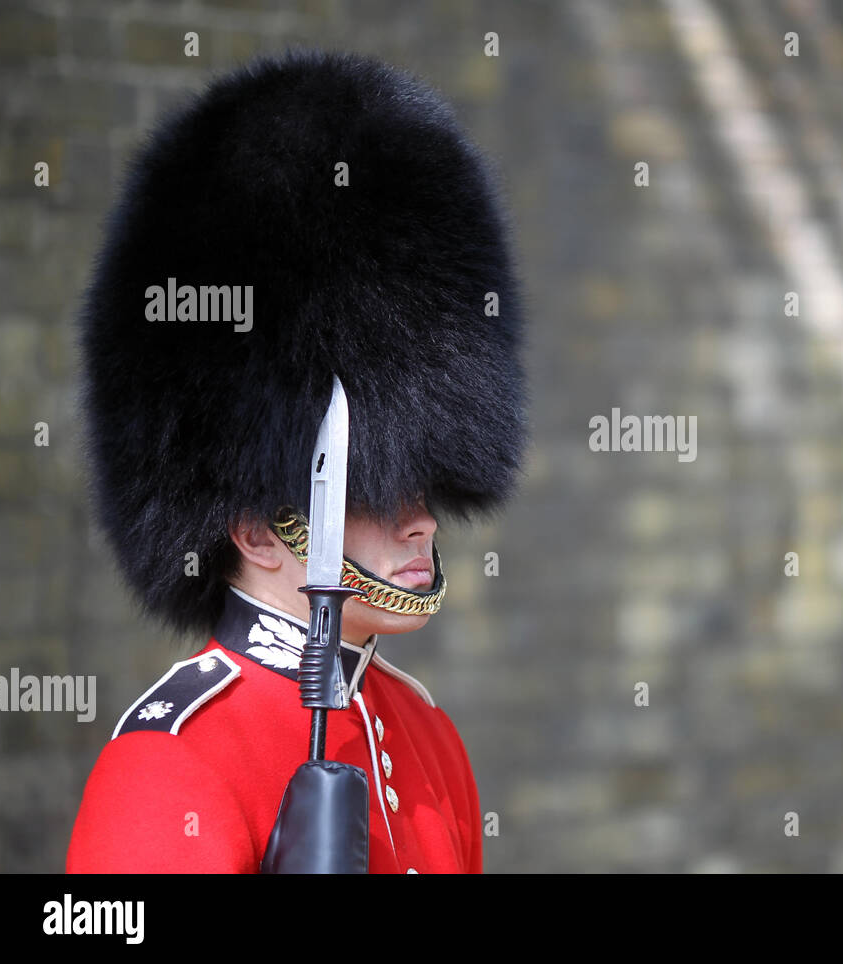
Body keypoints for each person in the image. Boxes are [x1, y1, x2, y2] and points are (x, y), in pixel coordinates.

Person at [65, 49, 526, 873]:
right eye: (370, 489)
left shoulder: (427, 736)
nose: (420, 517)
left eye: (418, 479)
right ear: (256, 526)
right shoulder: (171, 763)